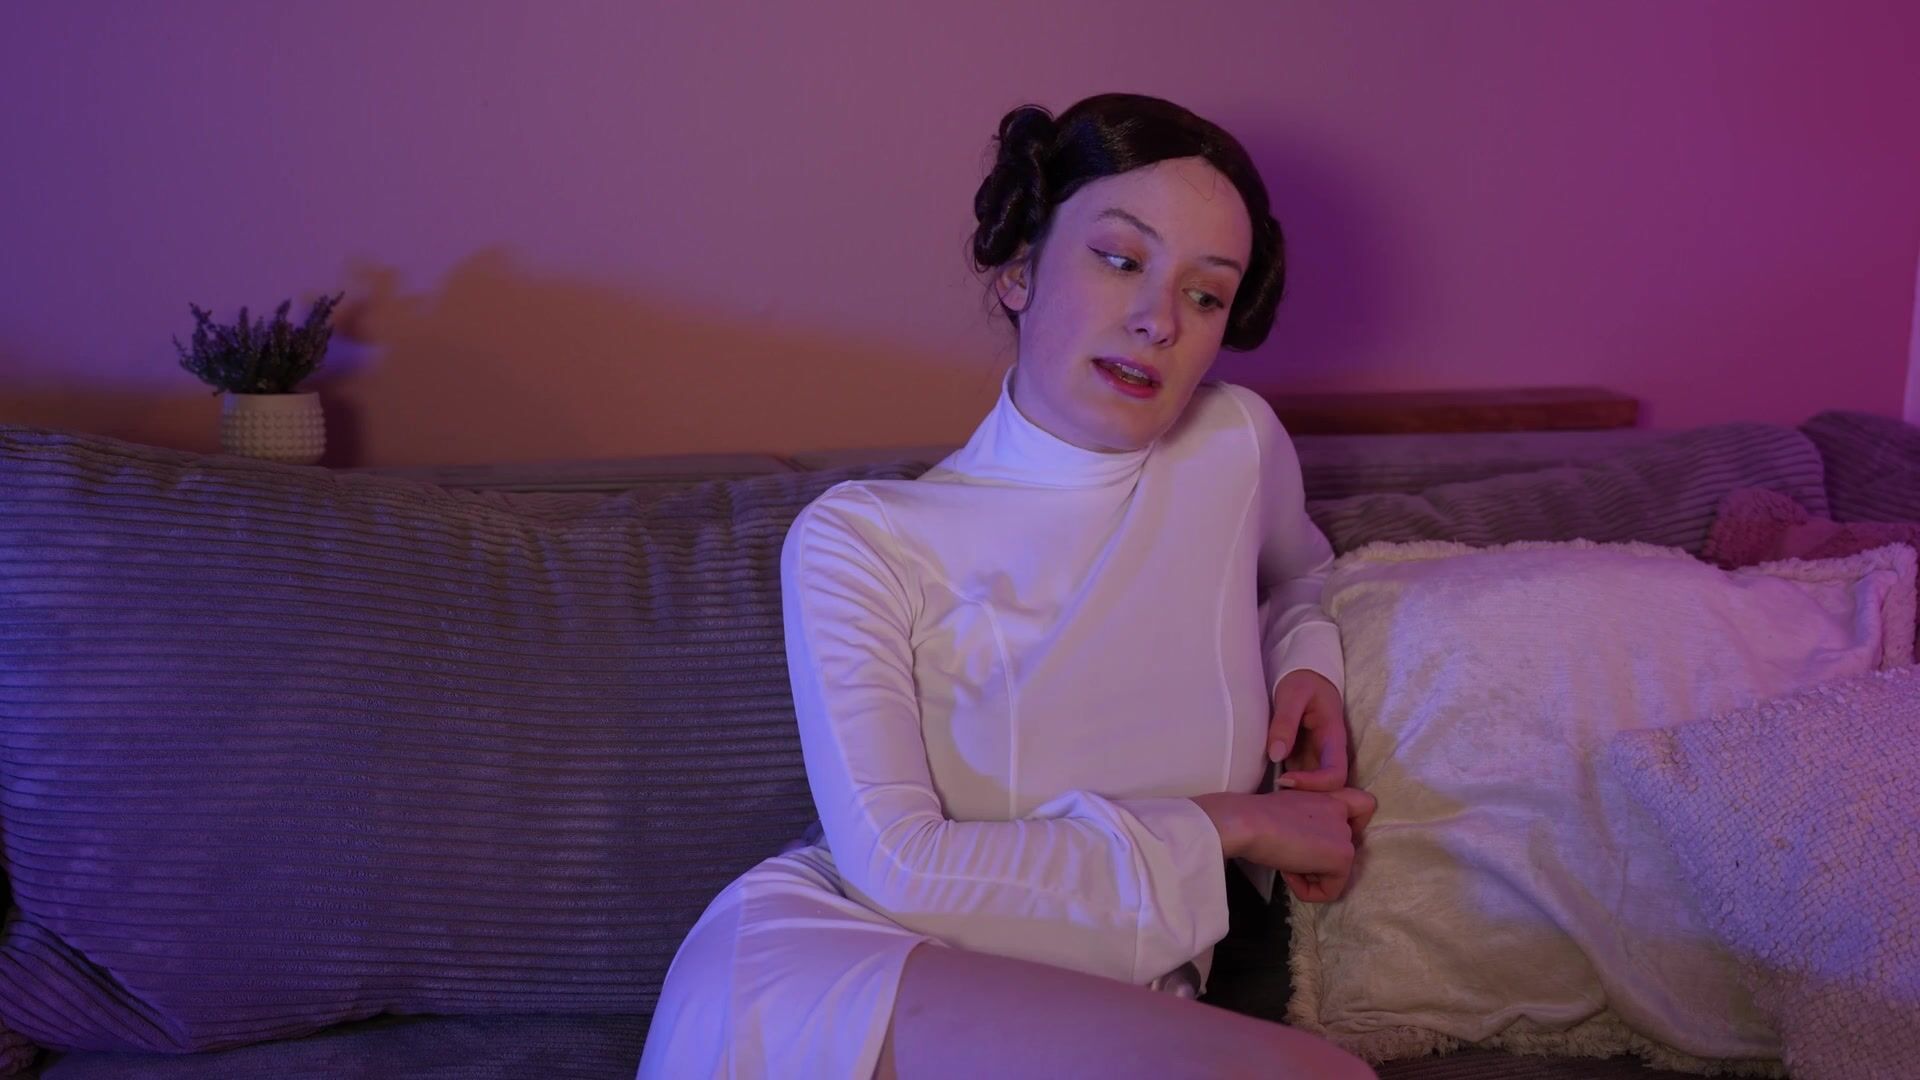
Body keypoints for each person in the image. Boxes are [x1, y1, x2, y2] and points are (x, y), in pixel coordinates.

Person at [637, 92, 1378, 1080]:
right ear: (1021, 267)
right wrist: (1233, 823)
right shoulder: (862, 539)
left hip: (1122, 997)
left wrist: (1307, 663)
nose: (1159, 321)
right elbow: (899, 868)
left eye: (1206, 296)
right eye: (1120, 259)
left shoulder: (1234, 444)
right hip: (844, 968)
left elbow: (1304, 574)